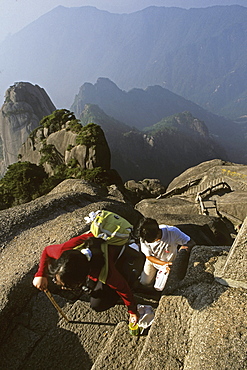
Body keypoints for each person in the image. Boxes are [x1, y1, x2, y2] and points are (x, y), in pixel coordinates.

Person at [33, 232, 140, 324]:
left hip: (119, 256)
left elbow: (123, 289)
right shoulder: (64, 251)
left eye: (66, 286)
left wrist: (132, 311)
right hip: (94, 254)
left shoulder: (107, 273)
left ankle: (131, 278)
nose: (59, 285)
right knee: (92, 289)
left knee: (97, 304)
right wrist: (40, 274)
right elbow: (47, 250)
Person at [138, 217, 195, 287]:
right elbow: (149, 256)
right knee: (145, 283)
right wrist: (165, 264)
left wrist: (183, 250)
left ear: (158, 232)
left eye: (153, 240)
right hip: (153, 261)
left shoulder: (172, 232)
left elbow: (190, 242)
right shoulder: (145, 236)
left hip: (170, 260)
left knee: (162, 286)